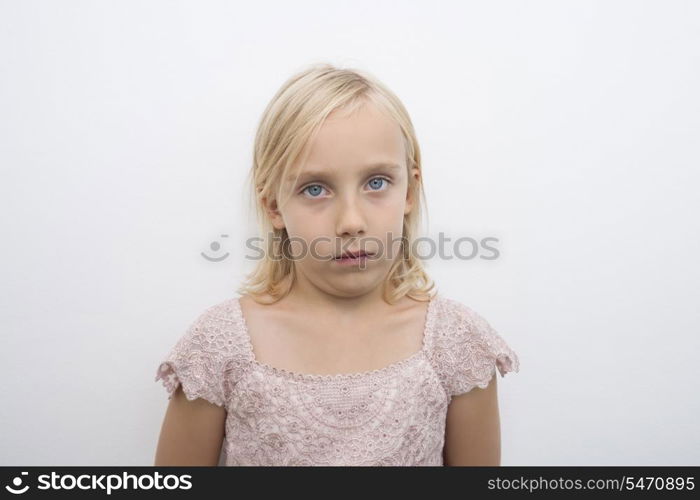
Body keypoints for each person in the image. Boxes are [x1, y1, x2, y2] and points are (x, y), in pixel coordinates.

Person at [153, 63, 520, 466]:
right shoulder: (219, 347)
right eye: (315, 189)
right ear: (274, 205)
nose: (350, 222)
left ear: (410, 190)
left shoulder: (457, 344)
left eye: (376, 182)